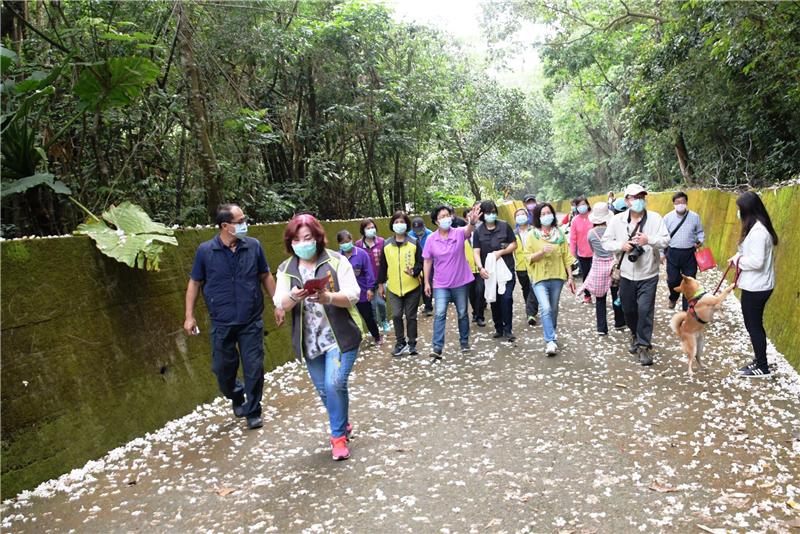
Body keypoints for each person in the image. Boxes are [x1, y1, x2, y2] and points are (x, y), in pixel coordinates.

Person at [273, 214, 362, 461]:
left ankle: (338, 438)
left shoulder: (336, 261)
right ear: (290, 242)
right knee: (326, 390)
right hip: (309, 341)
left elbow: (354, 294)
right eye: (297, 239)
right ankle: (342, 424)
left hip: (341, 336)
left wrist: (329, 297)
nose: (303, 243)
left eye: (308, 238)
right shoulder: (286, 269)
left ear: (317, 238)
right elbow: (280, 302)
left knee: (335, 383)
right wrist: (293, 296)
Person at [184, 203, 277, 430]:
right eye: (240, 221)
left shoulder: (253, 246)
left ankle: (253, 411)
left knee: (254, 368)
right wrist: (189, 315)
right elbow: (195, 282)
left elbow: (265, 275)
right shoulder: (206, 251)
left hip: (251, 320)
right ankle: (236, 394)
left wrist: (278, 304)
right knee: (222, 369)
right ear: (225, 226)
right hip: (222, 322)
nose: (245, 224)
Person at [602, 183, 670, 366]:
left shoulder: (655, 219)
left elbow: (665, 240)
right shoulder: (617, 221)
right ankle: (634, 333)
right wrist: (621, 245)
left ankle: (644, 346)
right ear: (626, 200)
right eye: (634, 197)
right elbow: (605, 242)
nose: (638, 201)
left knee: (645, 310)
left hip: (649, 273)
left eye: (641, 197)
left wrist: (649, 240)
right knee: (629, 310)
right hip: (626, 274)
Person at [423, 204, 482, 358]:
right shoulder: (431, 239)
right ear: (436, 221)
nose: (445, 219)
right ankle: (437, 347)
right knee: (440, 313)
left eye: (447, 215)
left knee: (462, 313)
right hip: (440, 284)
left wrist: (472, 222)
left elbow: (468, 231)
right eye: (441, 217)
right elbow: (427, 261)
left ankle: (464, 342)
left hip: (460, 282)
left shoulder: (458, 233)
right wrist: (426, 283)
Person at [730, 192, 778, 378]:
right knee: (753, 324)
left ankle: (763, 366)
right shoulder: (756, 228)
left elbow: (757, 262)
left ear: (747, 210)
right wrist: (739, 257)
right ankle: (759, 360)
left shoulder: (759, 232)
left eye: (740, 209)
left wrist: (738, 260)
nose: (738, 213)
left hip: (757, 287)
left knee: (754, 326)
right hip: (755, 285)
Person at [524, 202, 576, 355]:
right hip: (539, 277)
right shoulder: (532, 235)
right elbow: (528, 257)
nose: (546, 216)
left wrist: (570, 277)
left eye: (548, 213)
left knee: (553, 308)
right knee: (545, 308)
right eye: (543, 214)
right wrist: (541, 252)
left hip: (557, 277)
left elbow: (566, 256)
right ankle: (550, 341)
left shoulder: (559, 233)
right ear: (537, 217)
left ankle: (552, 332)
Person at [377, 211, 424, 357]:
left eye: (402, 222)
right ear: (392, 225)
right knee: (396, 315)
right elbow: (383, 266)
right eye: (396, 222)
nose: (399, 225)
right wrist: (380, 284)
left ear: (406, 224)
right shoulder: (386, 245)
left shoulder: (414, 242)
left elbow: (421, 262)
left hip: (412, 287)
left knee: (411, 316)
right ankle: (400, 342)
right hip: (393, 288)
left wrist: (414, 272)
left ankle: (412, 343)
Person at [473, 200, 518, 341]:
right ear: (482, 215)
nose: (491, 215)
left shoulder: (505, 226)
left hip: (507, 270)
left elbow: (514, 244)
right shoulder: (478, 231)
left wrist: (501, 252)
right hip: (490, 272)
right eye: (488, 212)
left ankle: (508, 328)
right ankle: (498, 327)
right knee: (494, 299)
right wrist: (480, 268)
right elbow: (476, 252)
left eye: (493, 212)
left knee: (507, 298)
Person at [337, 230, 381, 345]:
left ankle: (376, 336)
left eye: (348, 241)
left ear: (351, 240)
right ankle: (354, 341)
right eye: (343, 242)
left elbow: (369, 272)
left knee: (367, 316)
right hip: (345, 292)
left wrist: (370, 289)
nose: (346, 244)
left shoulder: (361, 254)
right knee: (349, 318)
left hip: (362, 292)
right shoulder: (338, 258)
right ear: (339, 244)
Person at [664, 192, 705, 311]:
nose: (680, 205)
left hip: (689, 253)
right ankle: (673, 297)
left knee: (690, 280)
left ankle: (686, 308)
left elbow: (700, 232)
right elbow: (662, 236)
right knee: (673, 280)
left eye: (682, 202)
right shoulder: (667, 218)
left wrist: (700, 240)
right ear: (673, 204)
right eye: (677, 202)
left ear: (686, 203)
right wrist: (661, 253)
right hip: (672, 253)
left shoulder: (694, 217)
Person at [579, 202, 616, 335]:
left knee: (600, 298)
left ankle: (602, 328)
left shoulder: (591, 233)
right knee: (616, 294)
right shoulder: (613, 230)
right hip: (613, 265)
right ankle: (620, 321)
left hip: (599, 266)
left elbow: (593, 249)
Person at [355, 219, 389, 334]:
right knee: (372, 305)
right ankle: (374, 326)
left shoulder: (381, 242)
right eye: (368, 228)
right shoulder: (358, 245)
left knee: (381, 302)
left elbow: (385, 262)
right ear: (363, 230)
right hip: (366, 281)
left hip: (381, 279)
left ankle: (384, 321)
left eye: (372, 227)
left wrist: (383, 279)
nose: (371, 230)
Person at [513, 207, 539, 326]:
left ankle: (530, 313)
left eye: (523, 214)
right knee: (526, 289)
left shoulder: (534, 231)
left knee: (533, 287)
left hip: (533, 264)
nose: (520, 217)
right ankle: (531, 310)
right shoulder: (513, 234)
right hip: (520, 266)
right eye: (518, 215)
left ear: (527, 216)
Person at [461, 207, 485, 325]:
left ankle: (480, 316)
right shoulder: (460, 233)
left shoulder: (481, 231)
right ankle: (475, 313)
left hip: (480, 267)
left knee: (480, 290)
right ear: (466, 218)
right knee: (471, 293)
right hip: (467, 269)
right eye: (469, 215)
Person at [569, 196, 594, 304]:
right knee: (586, 274)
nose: (581, 207)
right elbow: (572, 238)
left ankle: (599, 293)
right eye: (578, 205)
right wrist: (572, 253)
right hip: (582, 253)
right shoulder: (575, 220)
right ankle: (587, 295)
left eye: (583, 204)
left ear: (587, 204)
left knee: (596, 274)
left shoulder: (593, 217)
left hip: (595, 252)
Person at [411, 217, 434, 316]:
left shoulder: (430, 235)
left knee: (427, 283)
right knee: (418, 286)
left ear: (424, 227)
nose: (418, 232)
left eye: (420, 230)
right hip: (416, 263)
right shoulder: (410, 235)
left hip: (428, 262)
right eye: (416, 230)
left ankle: (428, 307)